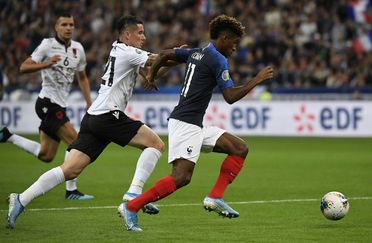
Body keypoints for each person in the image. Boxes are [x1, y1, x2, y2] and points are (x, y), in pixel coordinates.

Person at [7, 15, 166, 229]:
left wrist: (163, 67)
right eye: (140, 33)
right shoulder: (128, 52)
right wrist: (185, 55)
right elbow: (157, 60)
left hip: (94, 118)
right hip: (109, 115)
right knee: (156, 144)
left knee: (70, 169)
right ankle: (133, 195)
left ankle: (21, 199)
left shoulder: (121, 51)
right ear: (127, 35)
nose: (144, 37)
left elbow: (151, 74)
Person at [117, 15, 274, 231]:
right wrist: (257, 80)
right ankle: (132, 207)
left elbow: (164, 54)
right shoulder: (218, 59)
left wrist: (151, 76)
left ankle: (215, 197)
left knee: (239, 148)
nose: (235, 48)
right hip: (185, 124)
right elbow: (229, 96)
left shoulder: (197, 52)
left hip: (194, 124)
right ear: (225, 37)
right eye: (235, 42)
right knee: (181, 177)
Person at [0, 12, 94, 200]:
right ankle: (71, 190)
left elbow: (82, 77)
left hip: (60, 105)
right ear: (56, 28)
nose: (68, 28)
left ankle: (8, 136)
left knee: (46, 155)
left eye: (71, 25)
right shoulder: (47, 45)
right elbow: (24, 67)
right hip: (47, 103)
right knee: (76, 142)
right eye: (64, 24)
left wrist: (88, 101)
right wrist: (45, 64)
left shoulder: (78, 49)